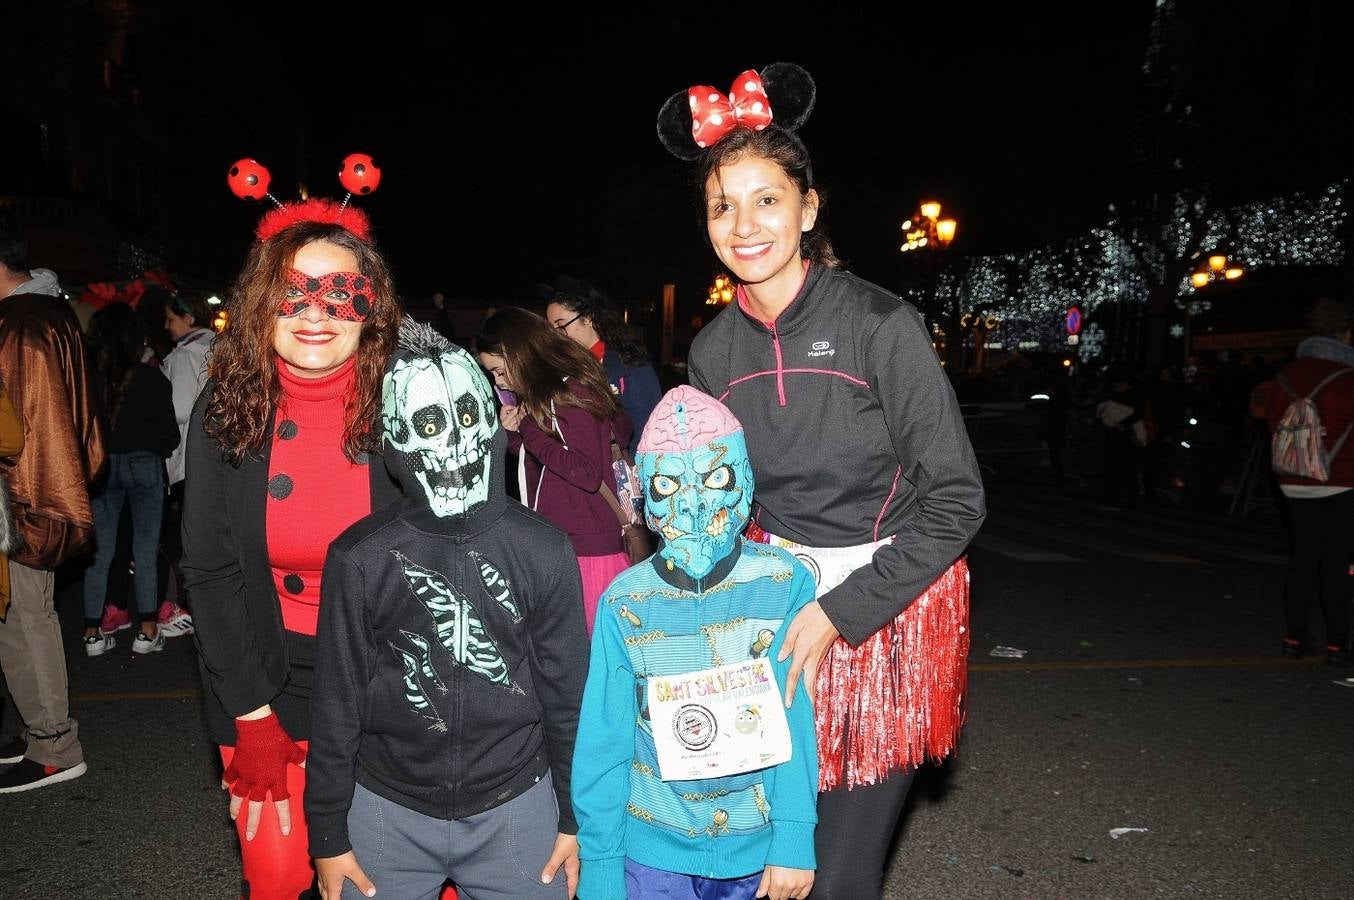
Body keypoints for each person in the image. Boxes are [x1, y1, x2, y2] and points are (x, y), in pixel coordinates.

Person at [659, 63, 986, 898]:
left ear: (808, 208)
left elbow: (956, 501)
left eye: (766, 198)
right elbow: (721, 508)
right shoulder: (709, 353)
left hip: (886, 614)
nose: (744, 223)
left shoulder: (881, 325)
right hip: (771, 613)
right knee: (762, 865)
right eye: (721, 204)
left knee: (838, 876)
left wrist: (841, 614)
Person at [307, 321, 587, 900]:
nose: (455, 439)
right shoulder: (361, 557)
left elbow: (569, 698)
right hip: (387, 809)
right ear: (397, 439)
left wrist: (575, 817)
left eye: (466, 413)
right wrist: (328, 834)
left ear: (491, 419)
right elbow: (337, 702)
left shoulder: (544, 547)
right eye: (429, 424)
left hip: (518, 804)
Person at [178, 187, 404, 899]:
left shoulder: (408, 405)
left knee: (379, 881)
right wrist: (251, 715)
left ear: (372, 310)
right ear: (260, 304)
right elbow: (210, 571)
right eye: (294, 293)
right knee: (276, 878)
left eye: (340, 294)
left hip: (386, 681)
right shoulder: (227, 407)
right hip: (266, 678)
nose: (315, 314)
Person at [574, 385, 819, 900]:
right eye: (668, 485)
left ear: (743, 477)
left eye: (715, 479)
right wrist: (600, 861)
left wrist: (794, 837)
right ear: (645, 495)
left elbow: (794, 712)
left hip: (756, 847)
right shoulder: (626, 601)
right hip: (653, 847)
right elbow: (605, 735)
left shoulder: (782, 583)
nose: (692, 503)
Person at [0, 209, 107, 792]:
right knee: (25, 616)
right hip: (36, 490)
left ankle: (54, 744)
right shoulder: (48, 310)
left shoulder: (22, 324)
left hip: (24, 496)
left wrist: (30, 509)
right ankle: (40, 730)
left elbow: (28, 431)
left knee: (24, 618)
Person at [474, 306, 634, 634]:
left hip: (589, 550)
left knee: (589, 659)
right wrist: (519, 436)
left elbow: (585, 472)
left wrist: (530, 430)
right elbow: (549, 468)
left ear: (519, 353)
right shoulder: (552, 397)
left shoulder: (569, 393)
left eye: (499, 370)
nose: (498, 381)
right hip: (572, 543)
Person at [80, 302, 180, 657]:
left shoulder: (89, 379)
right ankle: (147, 629)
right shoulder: (152, 378)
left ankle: (92, 632)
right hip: (144, 466)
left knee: (100, 551)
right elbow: (170, 436)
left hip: (103, 468)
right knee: (145, 547)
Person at [1265, 297, 1354, 666]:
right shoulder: (1348, 379)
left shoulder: (1286, 376)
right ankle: (1337, 643)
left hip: (1294, 479)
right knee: (1337, 563)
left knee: (1302, 558)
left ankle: (1294, 636)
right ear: (1344, 334)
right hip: (1342, 479)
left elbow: (1272, 424)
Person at [544, 276, 662, 455]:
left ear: (588, 318)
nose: (557, 336)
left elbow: (649, 428)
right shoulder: (563, 369)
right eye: (552, 330)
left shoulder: (628, 366)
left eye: (561, 326)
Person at [157, 290, 217, 637]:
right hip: (215, 456)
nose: (166, 326)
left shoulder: (183, 356)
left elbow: (179, 410)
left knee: (184, 539)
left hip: (186, 458)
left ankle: (183, 605)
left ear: (188, 318)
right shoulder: (218, 347)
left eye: (170, 318)